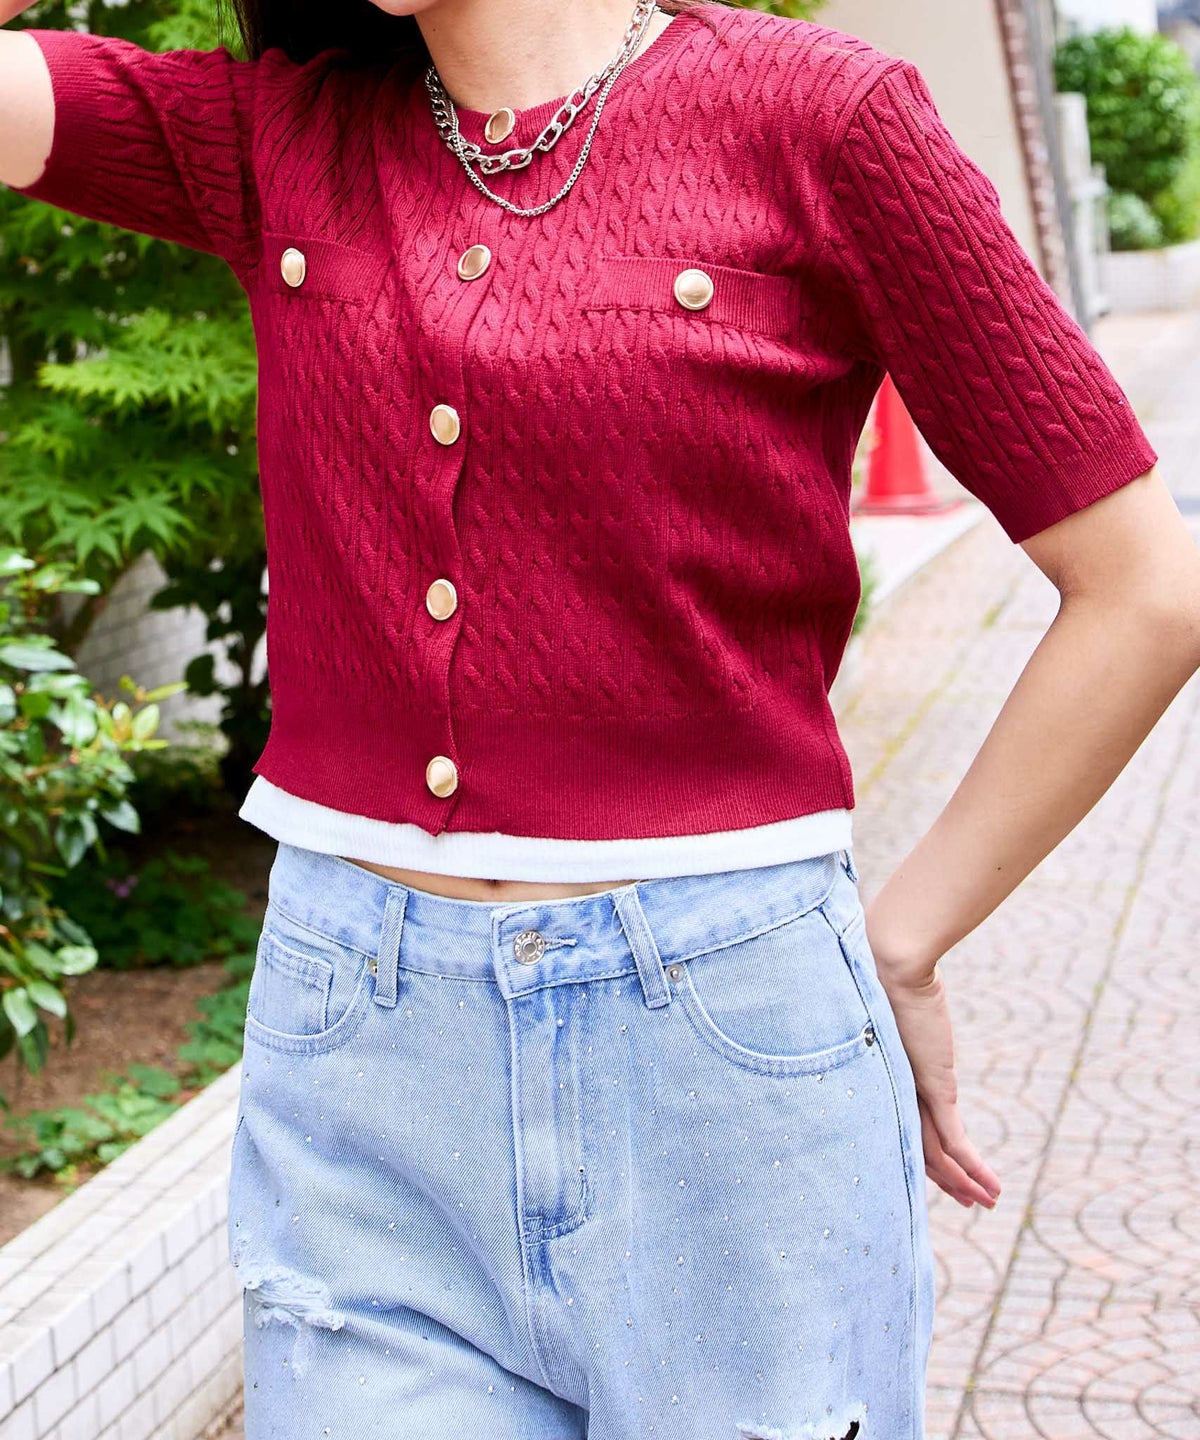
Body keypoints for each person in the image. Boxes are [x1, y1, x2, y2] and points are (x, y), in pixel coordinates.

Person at [3, 1, 1198, 1435]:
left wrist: (906, 937)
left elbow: (1144, 590)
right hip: (362, 1071)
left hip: (723, 1062)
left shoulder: (824, 119)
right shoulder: (281, 134)